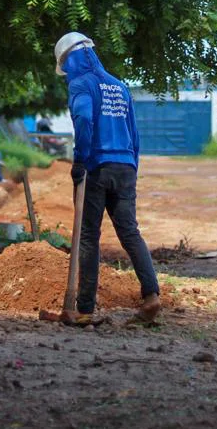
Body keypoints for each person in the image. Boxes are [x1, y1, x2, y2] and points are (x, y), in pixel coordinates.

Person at [55, 32, 160, 324]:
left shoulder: (80, 85)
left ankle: (85, 309)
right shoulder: (120, 86)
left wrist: (80, 160)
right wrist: (133, 168)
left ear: (69, 60)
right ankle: (151, 295)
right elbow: (134, 134)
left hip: (97, 168)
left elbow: (85, 120)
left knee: (89, 236)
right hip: (126, 165)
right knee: (130, 232)